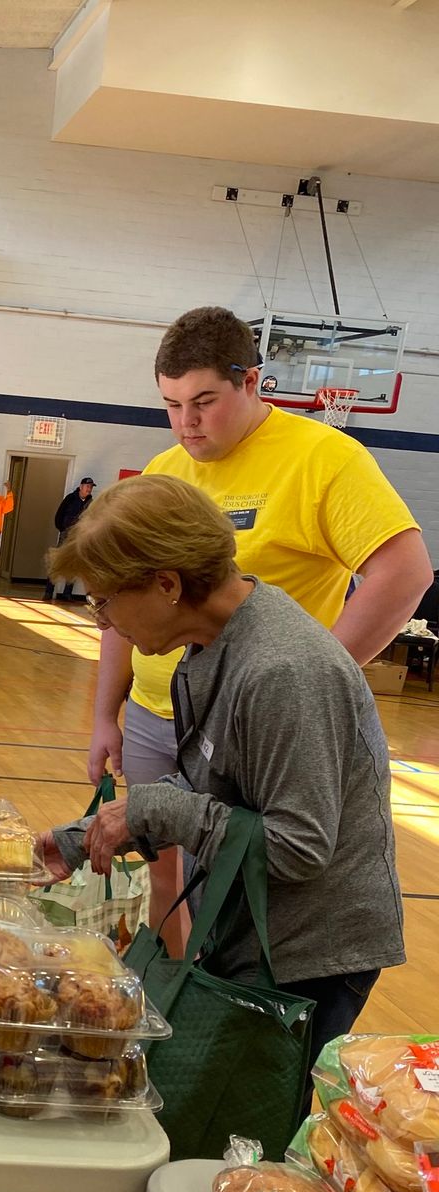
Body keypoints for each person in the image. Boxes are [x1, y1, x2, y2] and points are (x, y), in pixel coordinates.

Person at [39, 473, 405, 1192]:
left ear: (165, 582)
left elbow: (301, 845)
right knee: (201, 1122)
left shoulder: (282, 668)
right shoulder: (208, 644)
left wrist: (159, 812)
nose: (102, 619)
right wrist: (114, 832)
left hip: (312, 947)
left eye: (108, 599)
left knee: (254, 1150)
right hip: (257, 931)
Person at [88, 305, 428, 951]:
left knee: (234, 884)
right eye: (171, 404)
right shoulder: (165, 470)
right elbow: (119, 609)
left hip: (252, 724)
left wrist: (312, 675)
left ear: (252, 382)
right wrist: (108, 714)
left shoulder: (325, 457)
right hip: (158, 713)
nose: (187, 422)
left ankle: (226, 1009)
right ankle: (170, 1001)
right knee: (163, 879)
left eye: (204, 401)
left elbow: (403, 572)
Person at [45, 476, 95, 601]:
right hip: (66, 534)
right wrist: (62, 528)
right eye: (87, 486)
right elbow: (59, 514)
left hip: (78, 536)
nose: (89, 489)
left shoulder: (91, 502)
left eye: (91, 487)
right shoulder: (70, 498)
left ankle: (67, 594)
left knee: (74, 565)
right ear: (81, 486)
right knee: (56, 562)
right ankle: (48, 592)